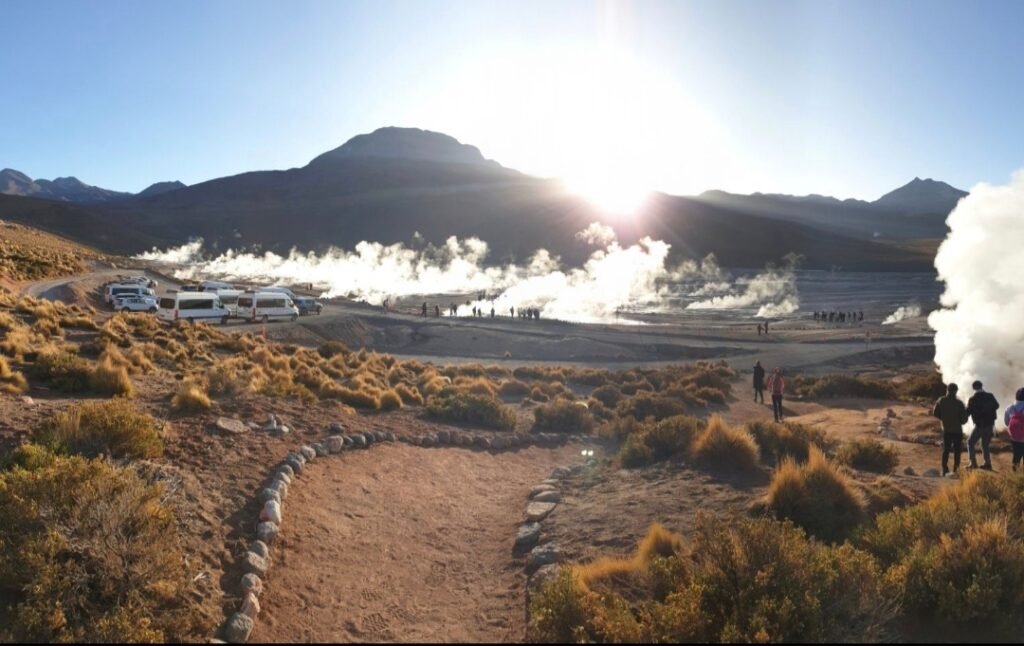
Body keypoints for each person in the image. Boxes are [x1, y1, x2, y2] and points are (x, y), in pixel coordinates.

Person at [933, 383, 969, 476]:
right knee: (957, 451)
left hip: (946, 429)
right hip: (957, 431)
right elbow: (964, 420)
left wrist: (943, 418)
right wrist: (959, 421)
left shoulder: (941, 400)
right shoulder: (959, 403)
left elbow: (935, 413)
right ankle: (956, 470)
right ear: (956, 391)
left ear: (947, 390)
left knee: (946, 450)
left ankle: (945, 469)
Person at [966, 380, 999, 470]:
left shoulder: (972, 399)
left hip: (979, 425)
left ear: (973, 388)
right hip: (990, 425)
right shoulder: (990, 396)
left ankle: (973, 463)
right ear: (982, 386)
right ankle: (987, 464)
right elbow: (997, 405)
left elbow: (968, 412)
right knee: (985, 444)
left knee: (970, 442)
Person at [1004, 388, 1024, 471]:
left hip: (1015, 438)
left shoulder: (1010, 408)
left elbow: (1006, 422)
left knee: (1016, 457)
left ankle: (1015, 475)